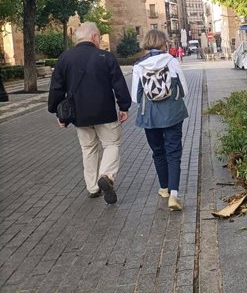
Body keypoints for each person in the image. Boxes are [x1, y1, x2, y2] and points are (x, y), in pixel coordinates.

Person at [48, 22, 131, 204]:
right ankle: (107, 176)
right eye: (99, 37)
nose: (100, 40)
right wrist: (124, 106)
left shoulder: (65, 58)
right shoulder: (105, 57)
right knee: (111, 144)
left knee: (88, 148)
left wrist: (57, 112)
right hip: (105, 111)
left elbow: (56, 88)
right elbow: (118, 84)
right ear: (94, 37)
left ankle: (93, 187)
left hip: (79, 114)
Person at [131, 30, 189, 211]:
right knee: (173, 153)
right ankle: (174, 195)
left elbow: (135, 97)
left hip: (149, 117)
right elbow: (185, 90)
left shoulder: (139, 66)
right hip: (172, 115)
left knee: (158, 152)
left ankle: (164, 188)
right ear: (164, 44)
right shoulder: (171, 62)